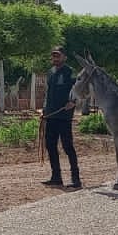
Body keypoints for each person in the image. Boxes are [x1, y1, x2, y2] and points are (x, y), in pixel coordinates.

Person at [40, 47, 81, 188]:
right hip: (51, 115)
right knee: (50, 145)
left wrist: (74, 102)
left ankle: (76, 179)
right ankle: (56, 177)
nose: (55, 59)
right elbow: (48, 93)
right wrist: (44, 110)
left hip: (64, 116)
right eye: (53, 56)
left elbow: (79, 89)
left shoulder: (71, 72)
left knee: (67, 146)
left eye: (58, 56)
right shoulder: (51, 72)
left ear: (65, 57)